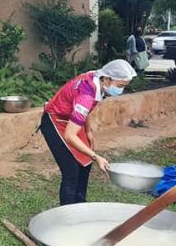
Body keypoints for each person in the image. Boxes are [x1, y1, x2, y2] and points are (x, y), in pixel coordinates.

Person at [41, 60, 137, 205]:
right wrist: (97, 157)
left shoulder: (96, 78)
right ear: (107, 79)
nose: (121, 90)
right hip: (55, 121)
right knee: (71, 172)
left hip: (71, 119)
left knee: (85, 163)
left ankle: (81, 206)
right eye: (120, 86)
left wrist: (88, 131)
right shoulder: (86, 95)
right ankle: (67, 216)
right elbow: (70, 135)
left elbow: (85, 111)